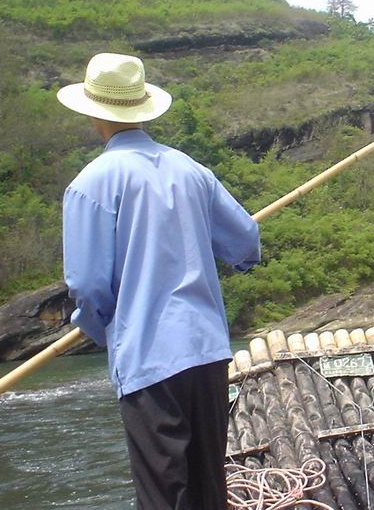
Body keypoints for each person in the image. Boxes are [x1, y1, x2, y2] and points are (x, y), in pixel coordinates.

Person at [57, 53, 261, 509]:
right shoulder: (192, 171)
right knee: (209, 488)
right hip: (207, 351)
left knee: (164, 495)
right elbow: (246, 241)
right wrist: (232, 256)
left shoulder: (90, 185)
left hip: (149, 356)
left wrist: (101, 328)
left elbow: (89, 286)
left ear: (93, 113)